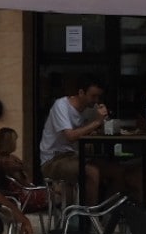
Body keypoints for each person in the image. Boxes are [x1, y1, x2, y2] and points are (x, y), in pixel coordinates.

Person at [38, 77, 110, 205]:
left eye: (98, 97)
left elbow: (98, 130)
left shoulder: (91, 109)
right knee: (92, 172)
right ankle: (89, 219)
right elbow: (70, 136)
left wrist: (104, 120)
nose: (96, 101)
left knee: (113, 171)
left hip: (76, 156)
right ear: (81, 92)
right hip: (54, 159)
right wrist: (97, 122)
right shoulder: (61, 105)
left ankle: (109, 214)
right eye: (93, 96)